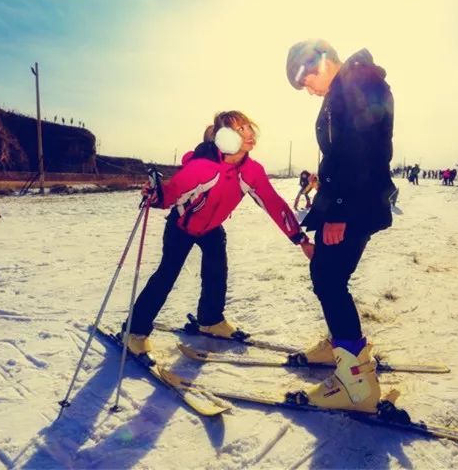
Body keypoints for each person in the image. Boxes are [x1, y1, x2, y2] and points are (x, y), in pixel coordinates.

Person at [122, 111, 314, 358]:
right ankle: (134, 331)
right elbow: (172, 193)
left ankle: (210, 320)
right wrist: (156, 195)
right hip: (182, 226)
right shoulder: (204, 167)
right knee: (166, 275)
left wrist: (300, 238)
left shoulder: (252, 171)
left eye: (248, 127)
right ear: (224, 137)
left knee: (216, 272)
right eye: (240, 129)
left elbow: (273, 204)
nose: (249, 133)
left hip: (212, 229)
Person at [285, 39, 396, 412]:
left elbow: (361, 151)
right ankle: (341, 346)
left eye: (305, 82)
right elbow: (344, 153)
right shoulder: (347, 88)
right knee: (327, 275)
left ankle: (357, 384)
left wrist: (340, 211)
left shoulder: (357, 85)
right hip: (348, 200)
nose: (307, 91)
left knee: (329, 280)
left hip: (353, 205)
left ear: (318, 63)